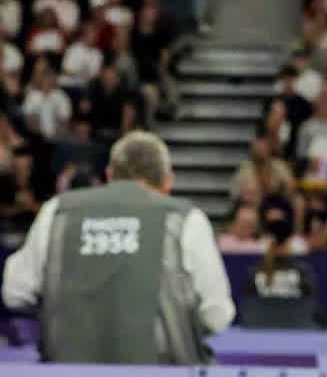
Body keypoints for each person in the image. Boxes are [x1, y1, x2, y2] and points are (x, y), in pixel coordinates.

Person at [1, 131, 234, 363]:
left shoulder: (58, 211)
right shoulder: (184, 218)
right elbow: (216, 315)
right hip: (163, 375)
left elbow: (15, 293)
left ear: (110, 175)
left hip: (69, 373)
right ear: (167, 182)